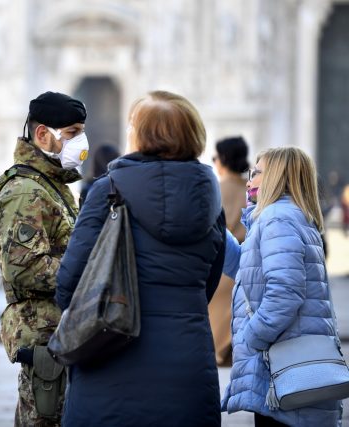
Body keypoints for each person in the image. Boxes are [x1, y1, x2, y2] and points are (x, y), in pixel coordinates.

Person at [56, 90, 225, 426]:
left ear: (142, 135)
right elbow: (209, 284)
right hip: (188, 368)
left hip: (109, 362)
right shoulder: (210, 200)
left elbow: (69, 285)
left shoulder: (108, 191)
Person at [221, 147, 341, 426]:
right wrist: (217, 231)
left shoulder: (278, 219)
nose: (249, 180)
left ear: (276, 177)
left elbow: (285, 294)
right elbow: (247, 270)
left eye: (257, 173)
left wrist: (251, 337)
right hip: (281, 372)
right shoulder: (281, 218)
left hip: (283, 372)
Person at [0, 91, 87, 426]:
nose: (81, 141)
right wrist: (86, 271)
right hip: (43, 333)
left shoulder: (50, 184)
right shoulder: (25, 191)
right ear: (43, 134)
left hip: (58, 329)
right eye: (72, 133)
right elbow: (25, 269)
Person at [209, 136, 249, 366]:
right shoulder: (253, 190)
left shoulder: (216, 189)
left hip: (221, 269)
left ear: (223, 159)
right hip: (247, 269)